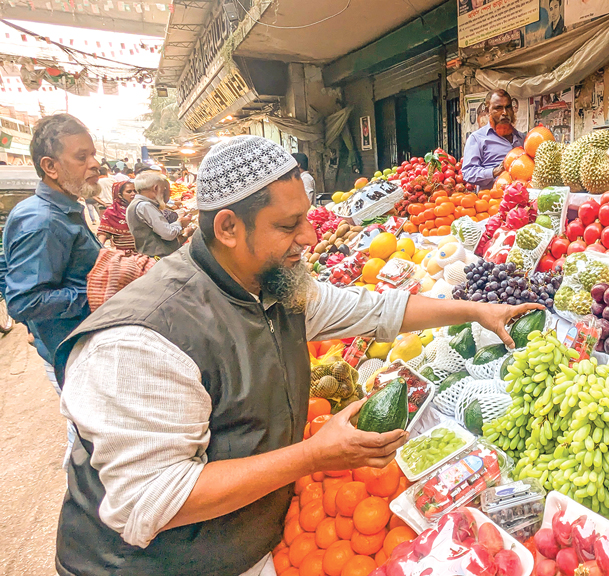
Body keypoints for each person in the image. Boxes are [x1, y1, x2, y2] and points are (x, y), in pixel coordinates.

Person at [53, 135, 541, 576]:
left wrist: (477, 310)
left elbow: (376, 309)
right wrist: (313, 455)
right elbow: (151, 501)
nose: (309, 236)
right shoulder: (143, 341)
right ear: (227, 227)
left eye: (306, 217)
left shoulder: (272, 288)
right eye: (288, 225)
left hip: (244, 540)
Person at [0, 113, 102, 468]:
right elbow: (23, 300)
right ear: (50, 166)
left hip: (72, 345)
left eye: (93, 154)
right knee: (91, 446)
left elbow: (6, 269)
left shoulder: (61, 210)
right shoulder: (43, 220)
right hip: (70, 351)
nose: (95, 164)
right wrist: (98, 294)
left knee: (86, 437)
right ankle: (85, 512)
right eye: (82, 157)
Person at [462, 89, 526, 189]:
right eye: (498, 108)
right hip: (492, 201)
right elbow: (468, 173)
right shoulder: (477, 139)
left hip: (521, 200)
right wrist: (494, 171)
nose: (505, 112)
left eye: (508, 107)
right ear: (488, 111)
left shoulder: (523, 139)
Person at [127, 171, 188, 258]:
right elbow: (168, 234)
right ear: (155, 188)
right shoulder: (145, 206)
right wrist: (180, 223)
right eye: (163, 190)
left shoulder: (137, 203)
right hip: (158, 257)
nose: (163, 193)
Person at [97, 180, 137, 254]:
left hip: (144, 253)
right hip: (123, 254)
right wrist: (98, 251)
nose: (133, 194)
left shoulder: (141, 208)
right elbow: (103, 233)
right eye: (129, 192)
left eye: (135, 191)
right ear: (120, 195)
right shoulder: (112, 211)